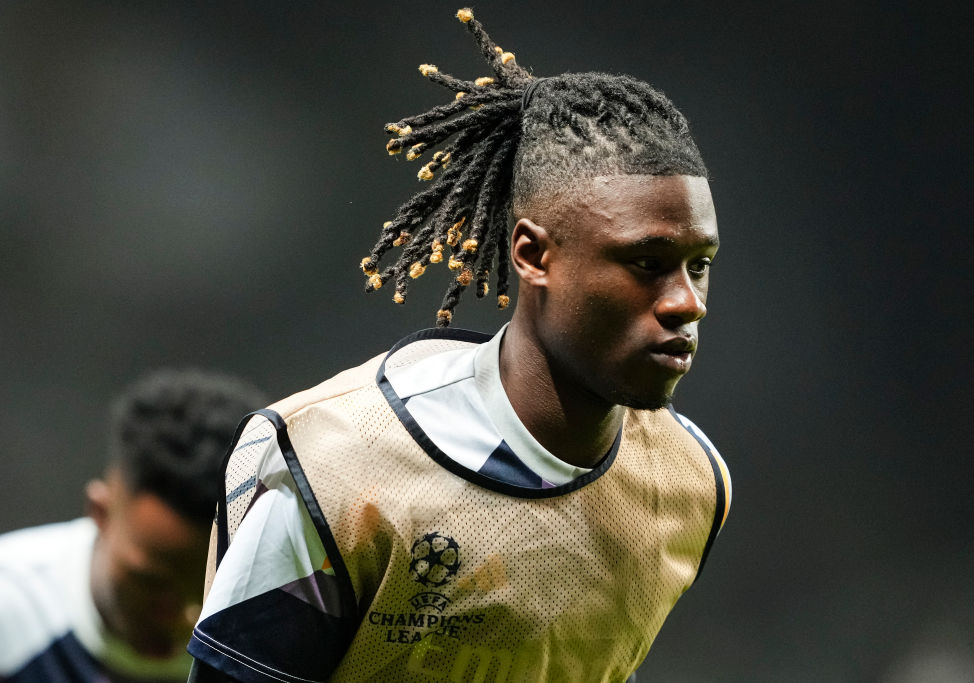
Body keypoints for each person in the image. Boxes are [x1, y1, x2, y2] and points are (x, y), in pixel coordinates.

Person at [187, 8, 732, 682]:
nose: (687, 301)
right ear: (533, 255)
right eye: (647, 263)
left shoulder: (691, 483)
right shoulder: (333, 466)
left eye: (699, 265)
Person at [0, 369, 266, 682]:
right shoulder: (10, 604)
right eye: (154, 583)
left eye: (214, 589)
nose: (187, 617)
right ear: (100, 513)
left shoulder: (280, 635)